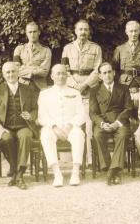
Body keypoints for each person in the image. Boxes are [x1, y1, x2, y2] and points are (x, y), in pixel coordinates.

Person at [0, 62, 39, 190]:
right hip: (5, 126)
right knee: (6, 138)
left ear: (18, 73)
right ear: (3, 75)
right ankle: (17, 172)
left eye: (13, 71)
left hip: (23, 125)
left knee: (26, 136)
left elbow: (36, 108)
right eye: (8, 72)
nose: (11, 74)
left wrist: (31, 115)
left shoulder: (28, 88)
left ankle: (18, 173)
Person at [61, 19, 102, 165]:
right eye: (80, 29)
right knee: (74, 124)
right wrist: (74, 84)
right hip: (72, 88)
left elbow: (98, 71)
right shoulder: (67, 48)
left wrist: (84, 84)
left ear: (89, 31)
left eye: (86, 29)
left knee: (89, 125)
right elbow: (64, 69)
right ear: (75, 31)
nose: (83, 32)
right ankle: (76, 160)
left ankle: (90, 159)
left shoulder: (96, 48)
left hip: (89, 89)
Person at [38, 64, 86, 187]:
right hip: (53, 128)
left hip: (71, 127)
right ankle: (57, 174)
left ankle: (75, 172)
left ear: (67, 75)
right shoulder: (44, 94)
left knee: (79, 134)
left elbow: (81, 114)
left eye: (63, 73)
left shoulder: (75, 92)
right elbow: (42, 116)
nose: (61, 76)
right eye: (58, 73)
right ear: (52, 76)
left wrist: (70, 125)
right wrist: (54, 127)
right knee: (45, 135)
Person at [89, 62, 133, 185]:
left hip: (120, 122)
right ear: (100, 76)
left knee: (123, 135)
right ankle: (109, 167)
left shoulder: (123, 88)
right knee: (97, 135)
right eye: (104, 73)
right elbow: (93, 113)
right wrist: (102, 124)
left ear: (114, 73)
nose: (107, 75)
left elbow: (128, 108)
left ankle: (114, 170)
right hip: (103, 123)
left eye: (109, 72)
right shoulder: (94, 90)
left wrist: (117, 123)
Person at [112, 20, 140, 95]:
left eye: (136, 31)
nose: (133, 34)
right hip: (124, 84)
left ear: (139, 31)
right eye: (131, 31)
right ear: (126, 32)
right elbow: (115, 70)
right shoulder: (119, 49)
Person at [13, 21, 52, 90]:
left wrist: (25, 69)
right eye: (30, 32)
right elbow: (16, 70)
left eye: (35, 31)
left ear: (39, 32)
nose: (32, 34)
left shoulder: (46, 50)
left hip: (40, 87)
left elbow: (44, 72)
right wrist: (35, 69)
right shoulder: (19, 49)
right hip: (23, 86)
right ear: (26, 33)